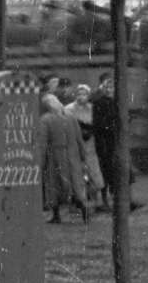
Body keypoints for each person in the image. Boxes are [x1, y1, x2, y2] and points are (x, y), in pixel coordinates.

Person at [41, 92, 89, 224]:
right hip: (72, 154)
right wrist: (83, 156)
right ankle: (83, 206)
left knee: (54, 184)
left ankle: (56, 215)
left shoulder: (45, 119)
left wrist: (42, 162)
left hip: (56, 155)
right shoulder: (70, 117)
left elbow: (43, 143)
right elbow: (79, 139)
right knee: (75, 183)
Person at [66, 84, 105, 207]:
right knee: (76, 170)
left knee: (94, 169)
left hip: (90, 142)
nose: (81, 97)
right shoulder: (69, 108)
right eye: (79, 94)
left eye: (84, 94)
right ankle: (77, 199)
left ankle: (98, 199)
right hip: (75, 141)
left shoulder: (92, 108)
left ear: (88, 96)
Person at [92, 73, 117, 209]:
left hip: (113, 142)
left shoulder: (115, 101)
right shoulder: (98, 101)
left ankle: (115, 200)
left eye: (111, 86)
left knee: (114, 172)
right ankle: (103, 201)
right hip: (103, 142)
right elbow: (99, 122)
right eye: (106, 86)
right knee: (103, 171)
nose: (109, 89)